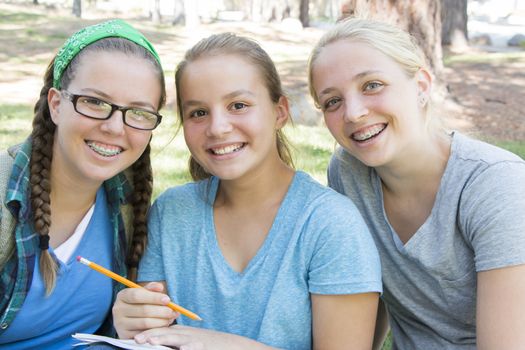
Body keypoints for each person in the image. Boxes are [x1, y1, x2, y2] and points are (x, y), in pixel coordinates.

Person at [112, 32, 382, 350]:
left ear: (280, 111)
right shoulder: (172, 213)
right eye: (198, 112)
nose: (218, 127)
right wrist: (133, 321)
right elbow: (153, 336)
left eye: (238, 105)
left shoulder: (329, 224)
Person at [308, 16, 525, 349]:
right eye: (332, 101)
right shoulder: (348, 174)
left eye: (372, 85)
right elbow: (366, 293)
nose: (353, 113)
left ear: (421, 86)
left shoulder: (496, 185)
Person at [0, 19, 166, 349]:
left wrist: (126, 322)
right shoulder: (6, 196)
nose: (115, 127)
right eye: (95, 102)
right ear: (56, 104)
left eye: (138, 112)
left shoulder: (129, 207)